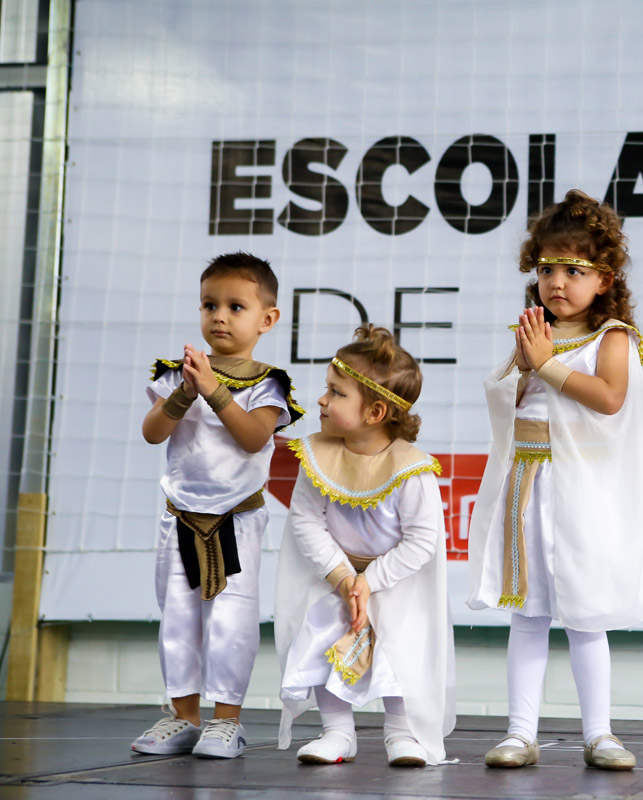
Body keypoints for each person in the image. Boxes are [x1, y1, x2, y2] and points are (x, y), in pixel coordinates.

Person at [466, 189, 643, 770]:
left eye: (574, 270)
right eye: (548, 268)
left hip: (584, 494)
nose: (557, 281)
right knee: (527, 614)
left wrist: (546, 364)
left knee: (585, 615)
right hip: (529, 485)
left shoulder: (613, 337)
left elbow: (609, 397)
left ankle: (599, 734)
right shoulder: (534, 333)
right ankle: (519, 733)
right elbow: (512, 400)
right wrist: (525, 367)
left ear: (604, 279)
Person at [132, 252, 303, 758]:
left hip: (236, 519)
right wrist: (186, 392)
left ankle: (226, 720)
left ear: (267, 319)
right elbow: (152, 433)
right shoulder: (176, 374)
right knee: (178, 616)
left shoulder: (268, 382)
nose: (220, 317)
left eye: (235, 306)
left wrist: (214, 390)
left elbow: (253, 438)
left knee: (231, 618)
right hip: (180, 516)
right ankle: (183, 716)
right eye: (210, 305)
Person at [274, 325, 455, 767]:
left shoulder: (410, 470)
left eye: (336, 393)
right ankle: (337, 731)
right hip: (335, 575)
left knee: (401, 647)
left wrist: (371, 581)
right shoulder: (317, 456)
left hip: (394, 579)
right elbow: (305, 519)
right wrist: (342, 578)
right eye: (327, 389)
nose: (322, 400)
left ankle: (402, 733)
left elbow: (421, 540)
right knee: (322, 637)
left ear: (375, 412)